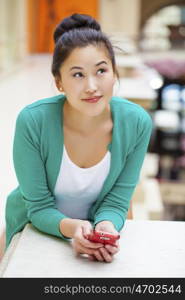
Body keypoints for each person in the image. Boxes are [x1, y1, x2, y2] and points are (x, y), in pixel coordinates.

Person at [5, 13, 152, 263]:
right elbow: (38, 208)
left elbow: (117, 201)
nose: (92, 86)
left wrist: (105, 225)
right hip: (35, 230)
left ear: (114, 73)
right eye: (77, 74)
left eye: (101, 71)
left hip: (97, 238)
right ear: (59, 82)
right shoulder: (33, 122)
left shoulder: (137, 123)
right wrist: (75, 230)